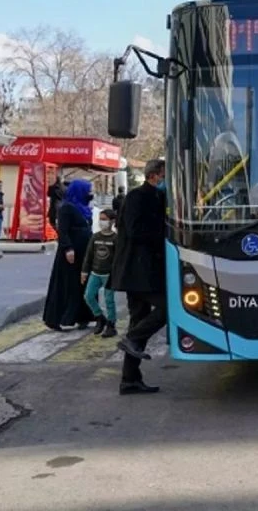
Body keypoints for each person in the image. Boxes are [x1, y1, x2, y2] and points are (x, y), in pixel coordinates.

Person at [111, 159, 168, 395]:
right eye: (165, 174)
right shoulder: (137, 197)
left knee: (139, 319)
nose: (167, 180)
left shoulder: (157, 197)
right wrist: (164, 235)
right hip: (137, 271)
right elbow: (135, 231)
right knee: (170, 309)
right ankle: (132, 338)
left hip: (146, 271)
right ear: (154, 175)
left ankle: (130, 379)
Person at [42, 179, 98, 331]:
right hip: (71, 252)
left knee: (83, 283)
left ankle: (83, 316)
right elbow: (63, 230)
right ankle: (56, 318)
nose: (90, 193)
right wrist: (68, 248)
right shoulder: (66, 208)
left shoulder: (84, 208)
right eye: (87, 190)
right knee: (67, 284)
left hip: (84, 251)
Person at [82, 207, 119, 338]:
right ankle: (99, 317)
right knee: (88, 296)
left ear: (112, 221)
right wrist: (84, 271)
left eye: (105, 220)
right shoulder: (95, 237)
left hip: (109, 274)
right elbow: (89, 255)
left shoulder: (115, 238)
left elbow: (118, 258)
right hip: (95, 272)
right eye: (100, 219)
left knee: (109, 300)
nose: (102, 222)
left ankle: (111, 324)